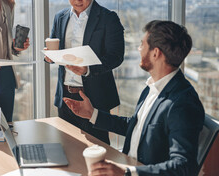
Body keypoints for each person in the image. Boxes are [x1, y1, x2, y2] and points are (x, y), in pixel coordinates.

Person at [64, 20, 204, 176]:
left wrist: (127, 172)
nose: (139, 49)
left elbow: (183, 167)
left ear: (155, 53)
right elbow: (136, 127)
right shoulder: (152, 87)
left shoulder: (183, 102)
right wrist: (92, 114)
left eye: (142, 45)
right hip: (127, 165)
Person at [45, 0, 125, 144]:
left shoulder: (108, 18)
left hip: (95, 97)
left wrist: (88, 69)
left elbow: (116, 56)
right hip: (65, 94)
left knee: (98, 148)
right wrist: (49, 56)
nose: (77, 0)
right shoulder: (60, 17)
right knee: (66, 147)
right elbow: (55, 48)